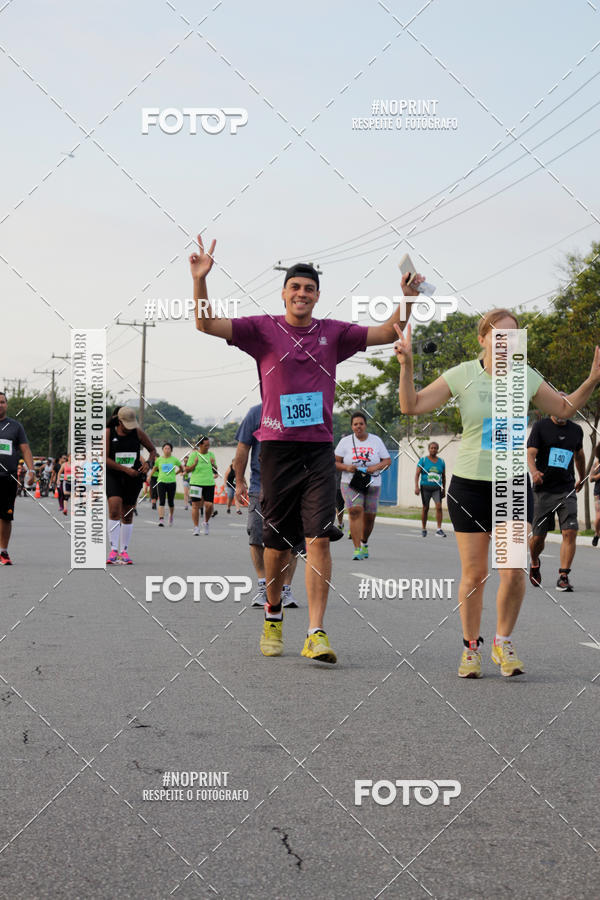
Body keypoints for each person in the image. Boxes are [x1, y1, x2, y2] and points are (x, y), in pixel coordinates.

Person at [191, 235, 418, 664]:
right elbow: (205, 324)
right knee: (276, 545)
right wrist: (200, 280)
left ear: (317, 296)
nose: (301, 294)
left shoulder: (333, 334)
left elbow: (388, 331)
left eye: (309, 289)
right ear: (284, 293)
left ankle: (316, 632)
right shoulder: (262, 330)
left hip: (317, 452)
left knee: (318, 540)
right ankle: (273, 615)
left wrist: (406, 299)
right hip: (275, 451)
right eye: (295, 287)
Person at [395, 309, 600, 678]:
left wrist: (593, 379)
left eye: (514, 335)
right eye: (499, 334)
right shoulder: (463, 375)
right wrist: (406, 365)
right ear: (483, 339)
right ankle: (471, 648)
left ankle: (502, 642)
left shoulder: (526, 376)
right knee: (475, 574)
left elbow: (565, 407)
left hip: (511, 485)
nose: (508, 341)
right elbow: (411, 405)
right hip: (470, 484)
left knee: (514, 572)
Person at [234, 402, 302, 609]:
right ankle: (263, 585)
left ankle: (285, 589)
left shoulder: (298, 408)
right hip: (259, 486)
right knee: (256, 536)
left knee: (291, 541)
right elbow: (243, 447)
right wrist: (238, 481)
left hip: (292, 485)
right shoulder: (256, 412)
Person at [527, 408, 585, 591]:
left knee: (570, 531)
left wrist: (581, 477)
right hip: (543, 490)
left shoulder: (576, 430)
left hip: (566, 489)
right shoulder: (540, 427)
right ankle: (535, 560)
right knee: (538, 537)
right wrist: (534, 472)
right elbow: (530, 454)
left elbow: (580, 456)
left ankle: (563, 575)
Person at [335, 412, 391, 560]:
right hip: (350, 482)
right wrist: (347, 467)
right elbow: (335, 462)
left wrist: (376, 467)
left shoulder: (376, 441)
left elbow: (387, 461)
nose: (358, 426)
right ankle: (357, 548)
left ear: (365, 425)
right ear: (352, 426)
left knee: (370, 516)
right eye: (355, 424)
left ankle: (364, 542)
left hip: (372, 481)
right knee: (355, 511)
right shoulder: (345, 442)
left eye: (361, 424)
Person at [106, 406, 156, 564]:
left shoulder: (137, 432)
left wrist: (148, 463)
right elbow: (104, 459)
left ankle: (124, 551)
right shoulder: (109, 433)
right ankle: (113, 550)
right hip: (114, 475)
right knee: (114, 508)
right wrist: (125, 469)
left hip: (133, 477)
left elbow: (153, 450)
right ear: (119, 421)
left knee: (127, 513)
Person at [0, 391, 35, 564]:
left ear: (7, 404)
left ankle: (3, 552)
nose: (0, 405)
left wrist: (32, 470)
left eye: (3, 402)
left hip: (8, 476)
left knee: (6, 515)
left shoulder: (15, 426)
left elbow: (25, 449)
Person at [185, 436, 218, 535]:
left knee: (209, 505)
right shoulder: (194, 455)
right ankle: (196, 527)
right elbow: (187, 470)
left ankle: (206, 522)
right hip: (196, 483)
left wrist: (213, 465)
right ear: (200, 445)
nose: (208, 447)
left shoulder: (211, 455)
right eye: (206, 445)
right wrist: (194, 464)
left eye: (209, 445)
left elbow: (215, 470)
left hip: (209, 483)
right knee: (195, 506)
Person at [415, 441, 447, 537]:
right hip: (425, 488)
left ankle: (439, 529)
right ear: (429, 449)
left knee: (439, 507)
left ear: (437, 450)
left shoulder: (441, 462)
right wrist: (416, 487)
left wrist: (444, 489)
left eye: (435, 448)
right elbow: (417, 474)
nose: (433, 449)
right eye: (431, 448)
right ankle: (424, 528)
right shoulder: (423, 460)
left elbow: (444, 476)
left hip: (437, 488)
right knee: (425, 508)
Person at [152, 442, 184, 527]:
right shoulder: (159, 460)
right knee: (161, 501)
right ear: (162, 450)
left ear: (171, 450)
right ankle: (161, 519)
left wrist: (176, 473)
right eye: (165, 448)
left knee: (171, 502)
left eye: (168, 448)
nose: (167, 450)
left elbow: (181, 468)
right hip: (161, 482)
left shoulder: (174, 459)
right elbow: (154, 468)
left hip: (171, 482)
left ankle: (171, 516)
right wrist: (149, 476)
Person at [591, 446, 600, 547]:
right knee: (598, 517)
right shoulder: (597, 464)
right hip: (598, 493)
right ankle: (597, 533)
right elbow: (591, 478)